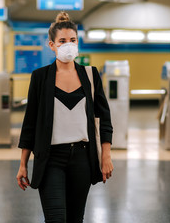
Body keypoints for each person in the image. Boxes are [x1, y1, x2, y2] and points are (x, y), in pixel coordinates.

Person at [16, 11, 114, 223]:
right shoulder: (40, 77)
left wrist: (106, 156)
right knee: (56, 218)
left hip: (82, 158)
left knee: (75, 218)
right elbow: (30, 122)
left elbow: (103, 117)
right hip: (51, 159)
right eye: (62, 41)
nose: (68, 45)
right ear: (52, 45)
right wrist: (23, 163)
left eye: (73, 40)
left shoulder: (90, 74)